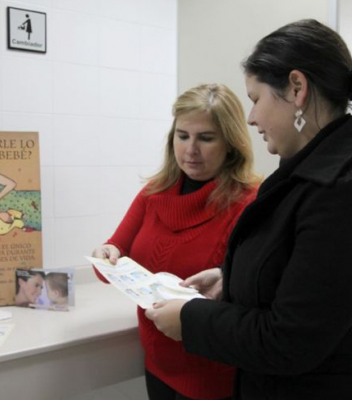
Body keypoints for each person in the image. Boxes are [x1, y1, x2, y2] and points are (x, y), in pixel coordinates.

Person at [145, 19, 352, 400]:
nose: (252, 117)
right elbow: (298, 276)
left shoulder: (337, 191)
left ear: (296, 88)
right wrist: (231, 278)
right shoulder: (308, 174)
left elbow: (290, 339)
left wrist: (190, 320)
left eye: (256, 99)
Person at [92, 83, 260, 400]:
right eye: (182, 136)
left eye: (206, 138)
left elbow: (253, 301)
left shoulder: (249, 203)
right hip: (157, 365)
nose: (190, 149)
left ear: (231, 144)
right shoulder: (154, 193)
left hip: (214, 376)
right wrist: (106, 254)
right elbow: (106, 265)